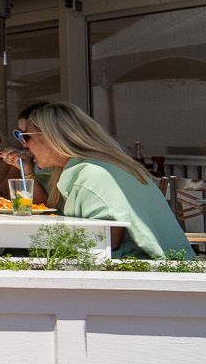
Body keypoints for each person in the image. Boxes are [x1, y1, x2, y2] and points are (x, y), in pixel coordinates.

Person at [14, 101, 191, 259]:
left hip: (153, 271)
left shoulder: (93, 175)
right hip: (163, 265)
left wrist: (30, 235)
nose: (24, 144)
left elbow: (105, 239)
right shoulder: (96, 167)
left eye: (25, 136)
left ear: (52, 138)